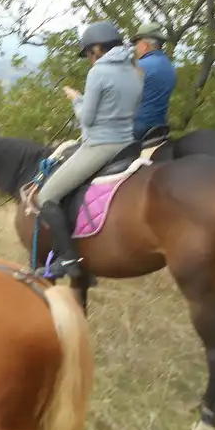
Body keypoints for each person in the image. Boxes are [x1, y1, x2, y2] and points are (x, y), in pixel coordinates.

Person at [35, 20, 142, 280]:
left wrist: (76, 99)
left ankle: (69, 258)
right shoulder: (136, 71)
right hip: (129, 144)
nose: (89, 60)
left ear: (97, 49)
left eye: (88, 55)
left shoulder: (98, 73)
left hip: (100, 146)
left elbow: (87, 119)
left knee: (46, 196)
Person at [130, 21, 177, 141]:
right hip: (160, 129)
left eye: (136, 44)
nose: (135, 48)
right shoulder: (170, 67)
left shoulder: (139, 66)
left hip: (136, 130)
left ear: (145, 45)